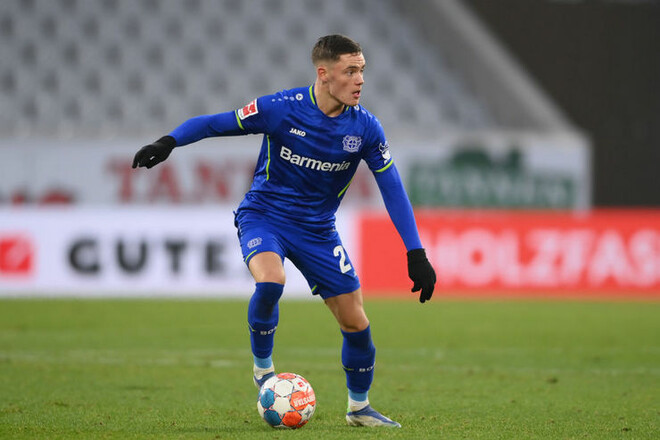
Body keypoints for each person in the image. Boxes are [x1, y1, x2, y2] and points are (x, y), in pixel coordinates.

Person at [133, 34, 436, 428]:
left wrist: (415, 252)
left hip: (317, 231)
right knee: (271, 280)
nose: (360, 79)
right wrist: (169, 141)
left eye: (362, 70)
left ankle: (359, 408)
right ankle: (263, 370)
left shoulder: (366, 128)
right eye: (350, 71)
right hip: (264, 216)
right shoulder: (280, 109)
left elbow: (392, 187)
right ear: (324, 74)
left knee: (357, 323)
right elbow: (213, 123)